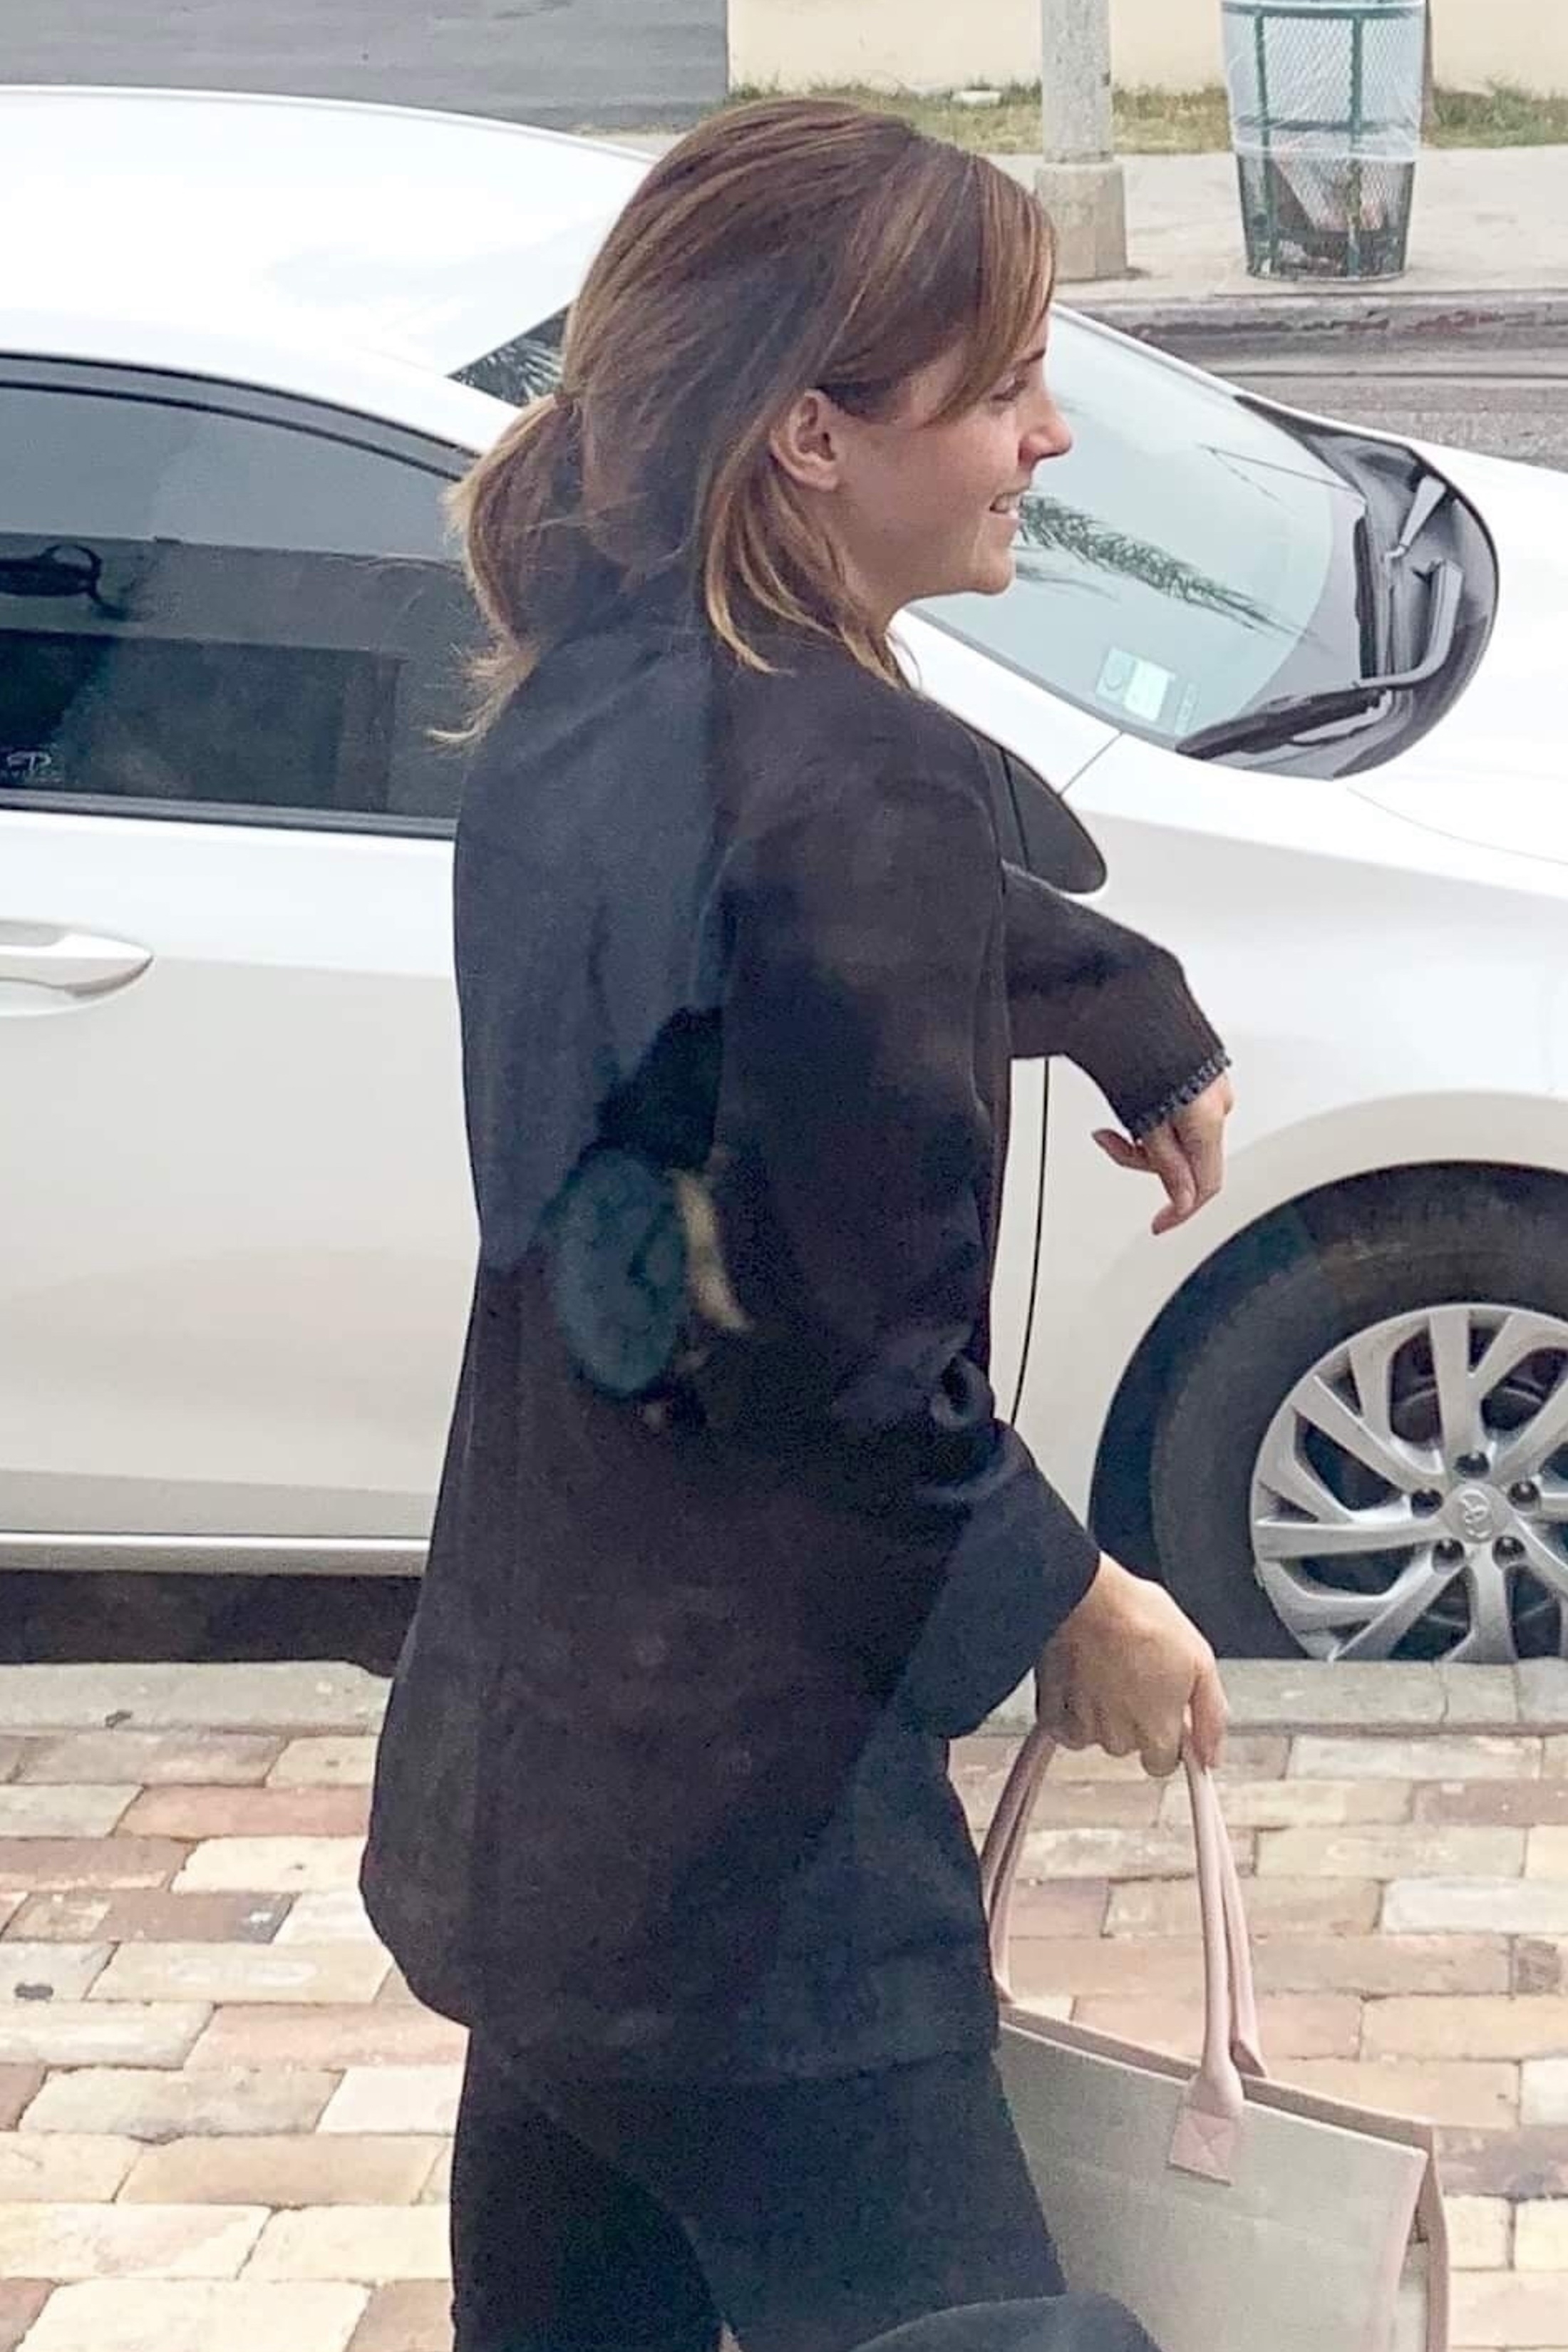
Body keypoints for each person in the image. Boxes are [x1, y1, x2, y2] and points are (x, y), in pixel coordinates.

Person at [361, 98, 1233, 2352]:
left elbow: (753, 989)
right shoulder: (852, 778)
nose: (1050, 436)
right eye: (1004, 386)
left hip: (547, 1792)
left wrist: (1117, 998)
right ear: (812, 435)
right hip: (762, 1873)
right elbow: (847, 1377)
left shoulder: (586, 699)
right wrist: (1082, 1599)